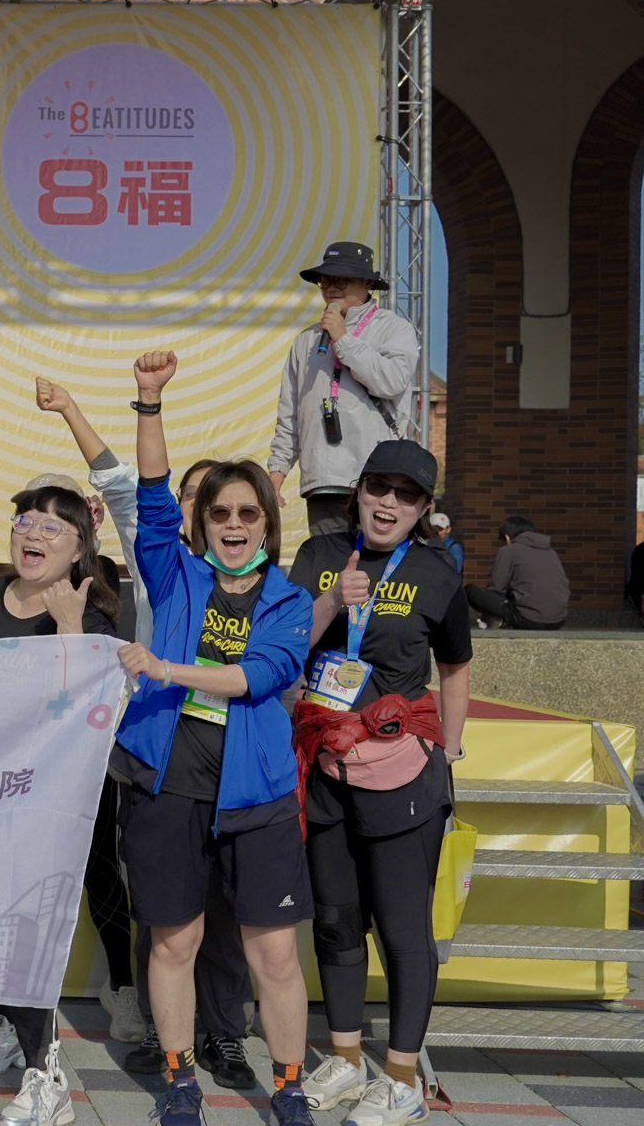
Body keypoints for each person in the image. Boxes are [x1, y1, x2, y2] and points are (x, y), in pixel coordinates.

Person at [113, 349, 316, 1126]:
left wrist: (164, 667)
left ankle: (289, 1087)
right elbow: (153, 491)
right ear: (203, 524)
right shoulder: (174, 573)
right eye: (221, 514)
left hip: (257, 796)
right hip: (168, 785)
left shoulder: (290, 602)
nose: (233, 525)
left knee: (274, 955)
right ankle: (180, 1081)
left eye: (248, 514)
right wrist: (149, 400)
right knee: (174, 944)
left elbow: (257, 678)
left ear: (267, 522)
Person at [33, 380, 256, 1085]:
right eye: (194, 498)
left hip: (231, 754)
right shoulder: (160, 556)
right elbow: (122, 482)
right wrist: (72, 409)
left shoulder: (258, 578)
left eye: (223, 504)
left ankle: (226, 1035)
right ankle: (165, 1035)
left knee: (223, 906)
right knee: (160, 902)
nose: (206, 512)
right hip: (159, 747)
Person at [289, 440, 472, 1126]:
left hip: (402, 771)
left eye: (407, 494)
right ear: (357, 492)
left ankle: (400, 1079)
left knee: (401, 928)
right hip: (325, 765)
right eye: (378, 487)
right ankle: (344, 1058)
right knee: (335, 922)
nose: (389, 502)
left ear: (424, 508)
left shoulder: (436, 570)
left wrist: (447, 750)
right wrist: (332, 599)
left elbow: (454, 667)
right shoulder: (317, 556)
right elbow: (285, 645)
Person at [0, 486, 118, 1126]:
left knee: (27, 931)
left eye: (52, 527)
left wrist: (69, 627)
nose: (33, 535)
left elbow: (89, 710)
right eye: (26, 521)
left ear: (79, 549)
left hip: (43, 802)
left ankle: (48, 1079)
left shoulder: (95, 616)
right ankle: (11, 1027)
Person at [268, 242, 420, 539]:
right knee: (328, 562)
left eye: (342, 279)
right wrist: (276, 473)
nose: (331, 288)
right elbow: (290, 416)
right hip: (323, 483)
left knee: (373, 562)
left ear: (367, 283)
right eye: (325, 280)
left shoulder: (393, 329)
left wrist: (343, 338)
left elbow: (391, 382)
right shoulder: (306, 340)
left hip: (375, 481)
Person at [464, 516, 570, 630]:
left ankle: (497, 619)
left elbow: (496, 588)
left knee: (470, 591)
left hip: (527, 619)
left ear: (507, 537)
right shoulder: (551, 552)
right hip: (558, 621)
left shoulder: (509, 551)